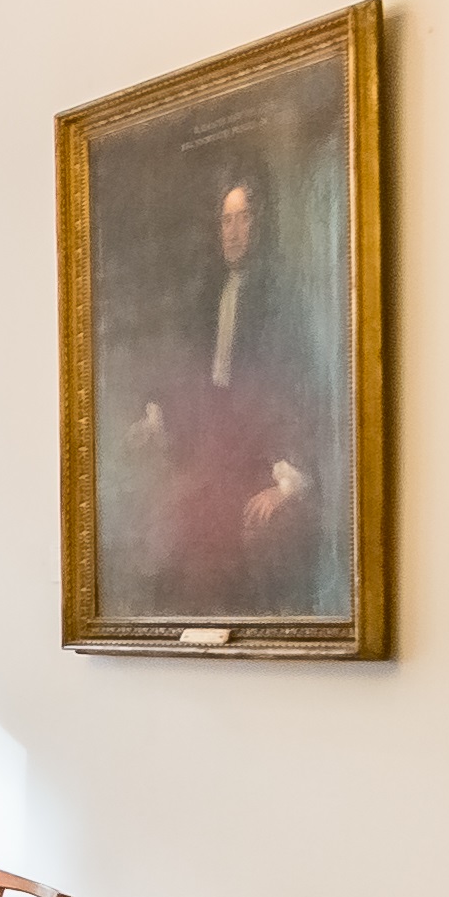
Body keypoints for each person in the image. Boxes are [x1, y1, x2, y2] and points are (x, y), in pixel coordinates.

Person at [120, 173, 333, 620]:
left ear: (261, 223)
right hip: (213, 444)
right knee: (176, 533)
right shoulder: (208, 291)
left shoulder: (284, 295)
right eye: (226, 220)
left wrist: (289, 479)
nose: (234, 232)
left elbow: (299, 387)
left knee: (239, 541)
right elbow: (187, 373)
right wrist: (157, 418)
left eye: (244, 218)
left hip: (262, 453)